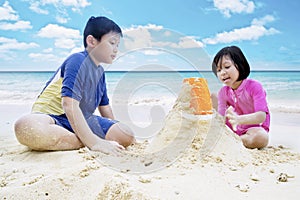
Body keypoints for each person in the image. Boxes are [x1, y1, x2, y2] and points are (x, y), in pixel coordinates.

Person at [14, 16, 135, 155]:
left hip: (82, 120)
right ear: (91, 41)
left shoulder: (100, 73)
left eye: (117, 45)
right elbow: (69, 104)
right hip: (53, 118)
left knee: (126, 134)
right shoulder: (77, 60)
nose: (116, 50)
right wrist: (95, 142)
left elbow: (105, 107)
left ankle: (82, 138)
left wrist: (113, 126)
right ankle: (86, 140)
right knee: (25, 126)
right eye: (112, 43)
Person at [211, 46, 270, 149]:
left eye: (227, 67)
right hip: (233, 127)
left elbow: (261, 116)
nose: (223, 72)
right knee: (213, 96)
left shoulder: (254, 86)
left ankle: (234, 140)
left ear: (240, 65)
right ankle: (227, 138)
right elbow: (221, 117)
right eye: (219, 70)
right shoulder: (223, 92)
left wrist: (239, 119)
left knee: (261, 138)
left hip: (254, 128)